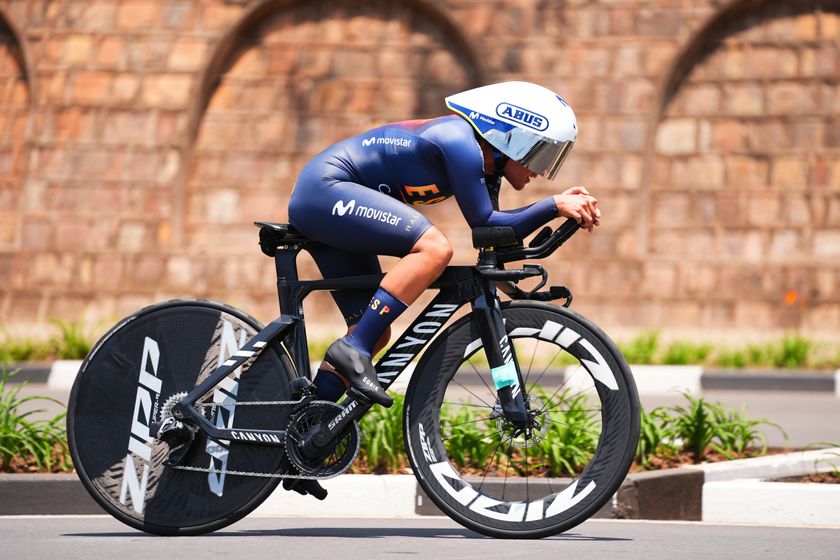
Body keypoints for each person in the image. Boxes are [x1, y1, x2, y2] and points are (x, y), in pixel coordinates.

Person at [288, 81, 600, 409]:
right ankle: (353, 349)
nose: (542, 169)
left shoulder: (487, 167)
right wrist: (554, 205)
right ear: (509, 138)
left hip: (331, 205)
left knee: (373, 332)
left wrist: (524, 292)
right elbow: (484, 221)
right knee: (435, 248)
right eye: (540, 151)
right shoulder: (459, 142)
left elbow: (494, 236)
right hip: (324, 191)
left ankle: (305, 421)